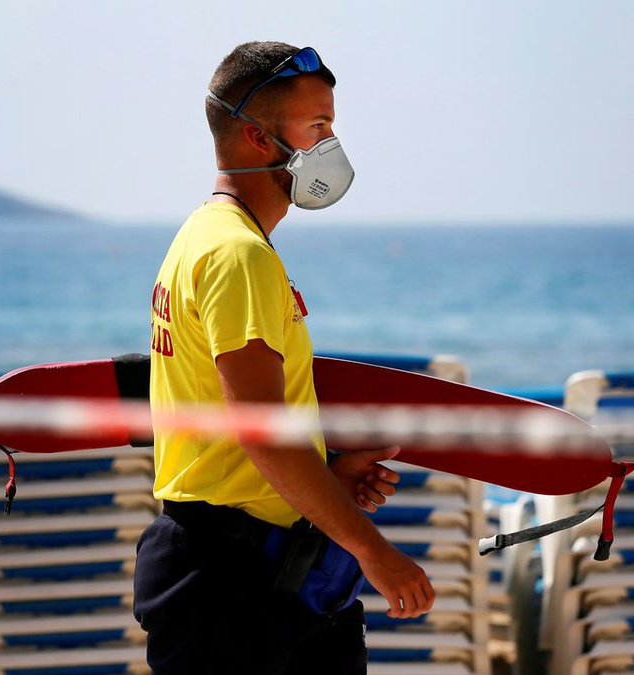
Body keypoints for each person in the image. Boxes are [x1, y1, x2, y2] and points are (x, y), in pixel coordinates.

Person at [133, 41, 436, 674]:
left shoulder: (208, 237)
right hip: (230, 586)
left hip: (273, 570)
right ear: (255, 137)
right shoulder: (235, 255)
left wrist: (326, 478)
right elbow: (262, 431)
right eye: (319, 128)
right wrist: (374, 552)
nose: (333, 147)